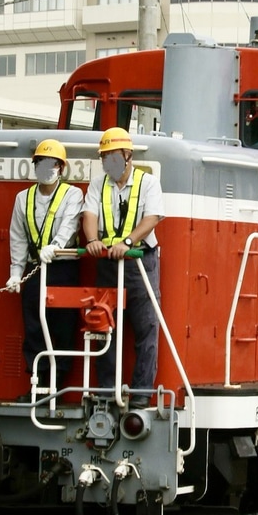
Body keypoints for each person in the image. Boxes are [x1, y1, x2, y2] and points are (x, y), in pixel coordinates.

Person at [81, 127, 164, 405]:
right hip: (106, 263)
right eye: (104, 157)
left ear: (128, 155)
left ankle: (141, 395)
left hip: (139, 262)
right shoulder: (98, 184)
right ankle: (106, 392)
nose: (109, 162)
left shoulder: (147, 183)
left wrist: (128, 242)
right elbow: (89, 213)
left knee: (146, 328)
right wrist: (92, 239)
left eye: (113, 156)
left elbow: (152, 218)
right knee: (104, 327)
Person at [5, 139, 85, 391]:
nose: (45, 168)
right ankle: (36, 383)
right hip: (34, 269)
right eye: (40, 163)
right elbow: (17, 237)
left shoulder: (72, 194)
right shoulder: (23, 198)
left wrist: (57, 246)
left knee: (61, 324)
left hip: (62, 268)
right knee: (33, 326)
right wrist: (15, 273)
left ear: (61, 168)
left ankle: (58, 383)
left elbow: (70, 224)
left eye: (52, 164)